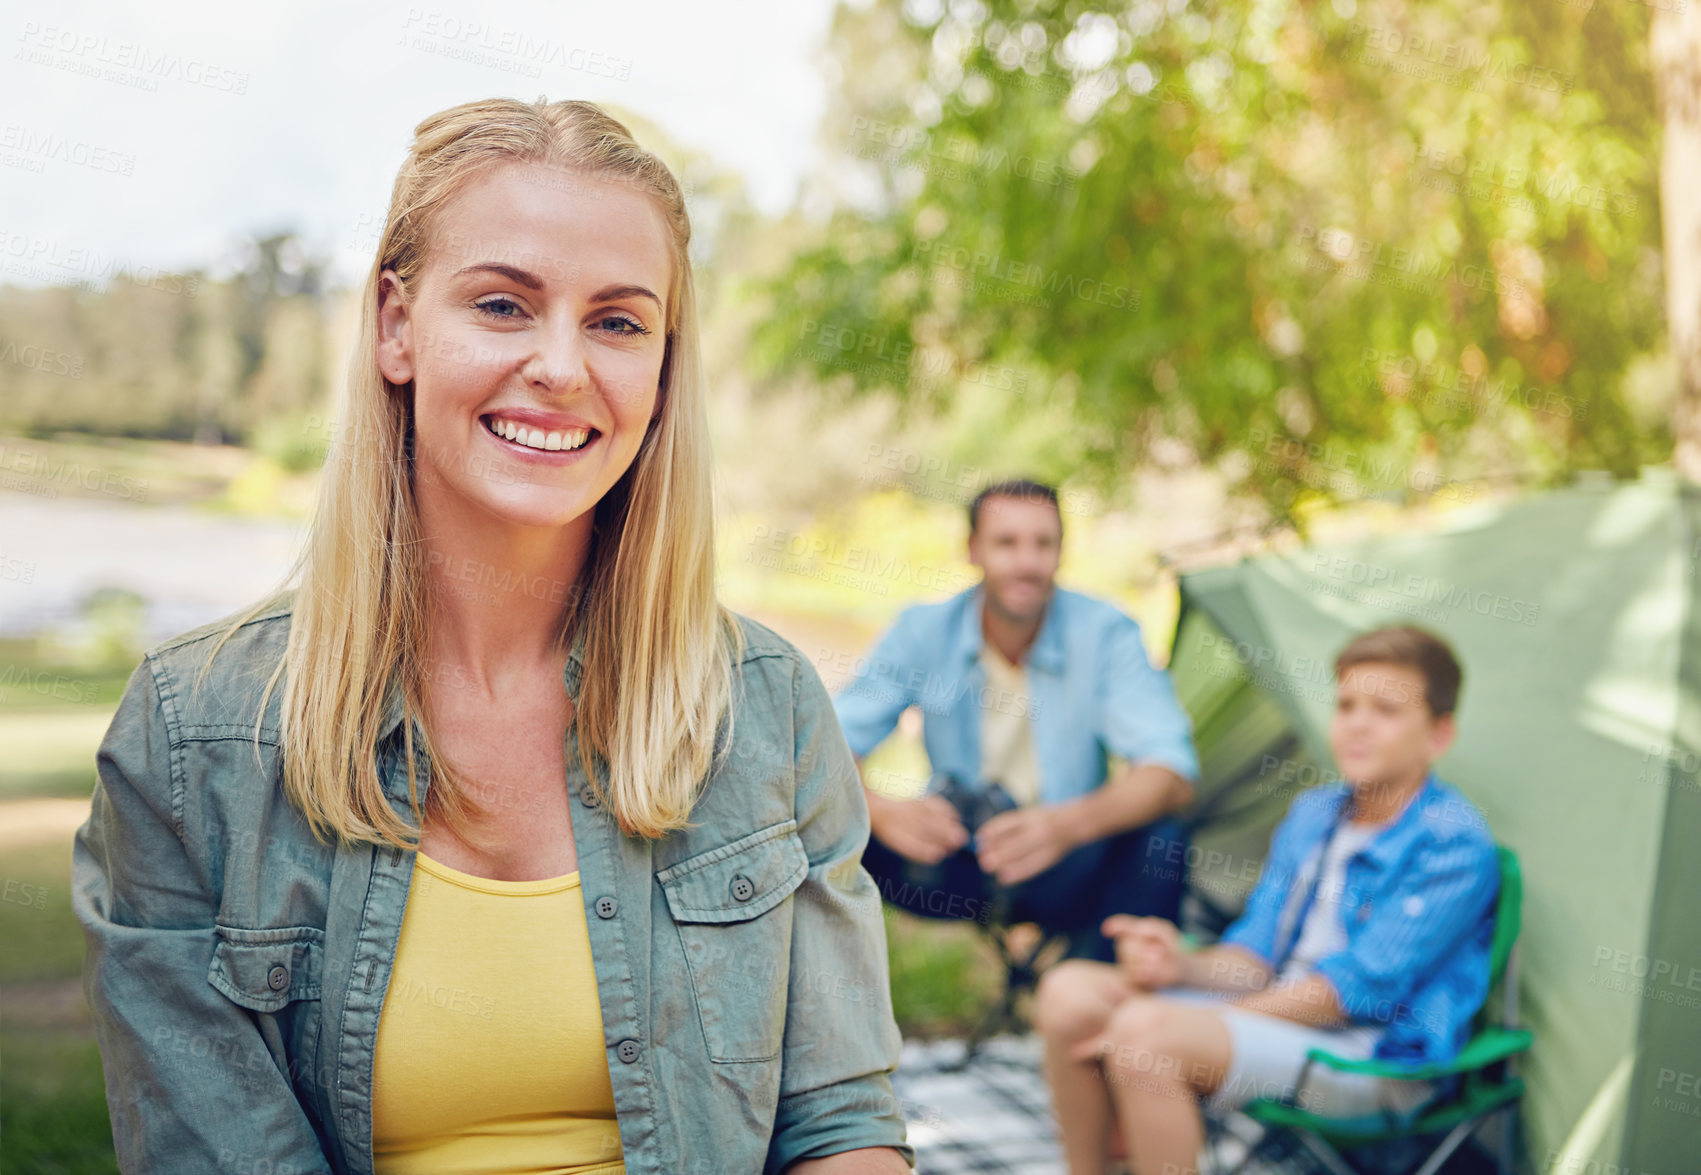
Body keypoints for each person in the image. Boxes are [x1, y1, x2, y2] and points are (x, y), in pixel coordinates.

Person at [71, 97, 913, 1175]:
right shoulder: (191, 742)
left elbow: (841, 1128)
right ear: (396, 326)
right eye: (506, 305)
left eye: (617, 321)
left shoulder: (765, 702)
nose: (562, 366)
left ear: (662, 369)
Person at [1034, 625, 1501, 1175]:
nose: (1357, 724)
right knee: (1068, 992)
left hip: (1368, 1060)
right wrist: (1178, 966)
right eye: (1347, 704)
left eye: (1386, 710)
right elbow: (1254, 955)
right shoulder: (1315, 813)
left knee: (1146, 1034)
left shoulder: (1453, 845)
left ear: (1437, 735)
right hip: (1278, 1020)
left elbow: (1348, 996)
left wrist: (1189, 1017)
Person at [831, 479, 1200, 962]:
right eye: (1006, 543)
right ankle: (822, 1016)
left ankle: (1104, 1008)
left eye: (1043, 543)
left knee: (1162, 840)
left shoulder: (1106, 633)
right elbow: (818, 741)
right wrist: (878, 809)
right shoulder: (922, 631)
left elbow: (1172, 774)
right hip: (951, 860)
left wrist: (1066, 826)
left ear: (1061, 552)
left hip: (1065, 861)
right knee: (819, 821)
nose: (1027, 563)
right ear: (972, 550)